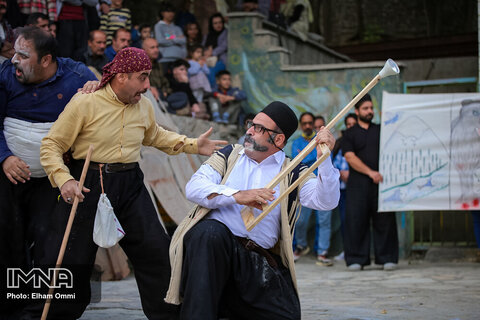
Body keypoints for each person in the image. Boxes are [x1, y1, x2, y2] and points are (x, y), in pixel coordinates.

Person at [36, 47, 227, 320]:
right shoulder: (85, 103)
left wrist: (194, 145)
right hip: (88, 182)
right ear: (122, 77)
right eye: (143, 77)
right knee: (71, 257)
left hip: (130, 183)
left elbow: (156, 136)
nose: (148, 85)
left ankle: (169, 315)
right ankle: (57, 315)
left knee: (156, 250)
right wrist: (64, 179)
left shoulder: (144, 107)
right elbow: (52, 144)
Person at [164, 101, 339, 319]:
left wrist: (325, 159)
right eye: (251, 124)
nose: (249, 131)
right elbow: (194, 187)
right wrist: (238, 196)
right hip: (214, 249)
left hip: (257, 261)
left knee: (288, 315)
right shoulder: (229, 156)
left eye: (258, 128)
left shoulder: (293, 171)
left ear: (279, 139)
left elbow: (326, 201)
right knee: (209, 233)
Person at [0, 26, 97, 318]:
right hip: (7, 175)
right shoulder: (5, 75)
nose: (14, 60)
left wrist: (97, 88)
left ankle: (38, 309)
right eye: (14, 52)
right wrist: (5, 158)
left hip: (53, 178)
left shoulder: (77, 76)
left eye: (23, 55)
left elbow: (102, 102)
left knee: (47, 240)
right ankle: (8, 307)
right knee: (7, 238)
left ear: (46, 60)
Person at [342, 93, 399, 271]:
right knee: (356, 220)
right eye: (365, 108)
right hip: (357, 185)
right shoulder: (349, 134)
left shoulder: (381, 130)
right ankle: (356, 259)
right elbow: (350, 157)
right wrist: (370, 172)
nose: (369, 111)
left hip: (380, 183)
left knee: (385, 220)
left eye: (371, 108)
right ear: (357, 111)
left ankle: (387, 257)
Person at [291, 112, 333, 266]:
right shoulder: (296, 143)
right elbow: (296, 162)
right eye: (305, 123)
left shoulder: (321, 141)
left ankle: (322, 252)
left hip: (323, 185)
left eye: (310, 123)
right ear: (301, 125)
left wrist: (305, 156)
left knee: (324, 221)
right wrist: (314, 155)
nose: (308, 126)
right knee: (300, 220)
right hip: (305, 186)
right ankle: (301, 245)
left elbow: (326, 158)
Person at [330, 113, 357, 261]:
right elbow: (333, 163)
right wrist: (340, 172)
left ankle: (356, 251)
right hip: (342, 189)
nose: (351, 127)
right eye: (348, 125)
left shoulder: (360, 141)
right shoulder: (340, 142)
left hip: (356, 188)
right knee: (344, 220)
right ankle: (347, 250)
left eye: (353, 124)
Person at [155, 3, 187, 74]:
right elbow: (160, 41)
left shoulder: (177, 28)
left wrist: (169, 39)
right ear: (162, 13)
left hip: (179, 59)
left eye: (172, 11)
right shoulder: (158, 26)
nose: (171, 14)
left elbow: (183, 41)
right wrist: (176, 39)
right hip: (164, 59)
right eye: (168, 11)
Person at [203, 12, 227, 87]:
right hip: (208, 59)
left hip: (220, 60)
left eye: (220, 22)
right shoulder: (208, 36)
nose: (218, 25)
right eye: (215, 23)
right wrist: (205, 53)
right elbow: (202, 47)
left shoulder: (227, 33)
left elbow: (224, 46)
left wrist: (212, 52)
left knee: (210, 71)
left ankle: (213, 92)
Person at [142, 37, 171, 101]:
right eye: (152, 47)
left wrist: (165, 91)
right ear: (144, 50)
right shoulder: (140, 66)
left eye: (157, 47)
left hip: (161, 95)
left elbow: (165, 82)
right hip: (148, 96)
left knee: (181, 95)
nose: (156, 50)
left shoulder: (159, 65)